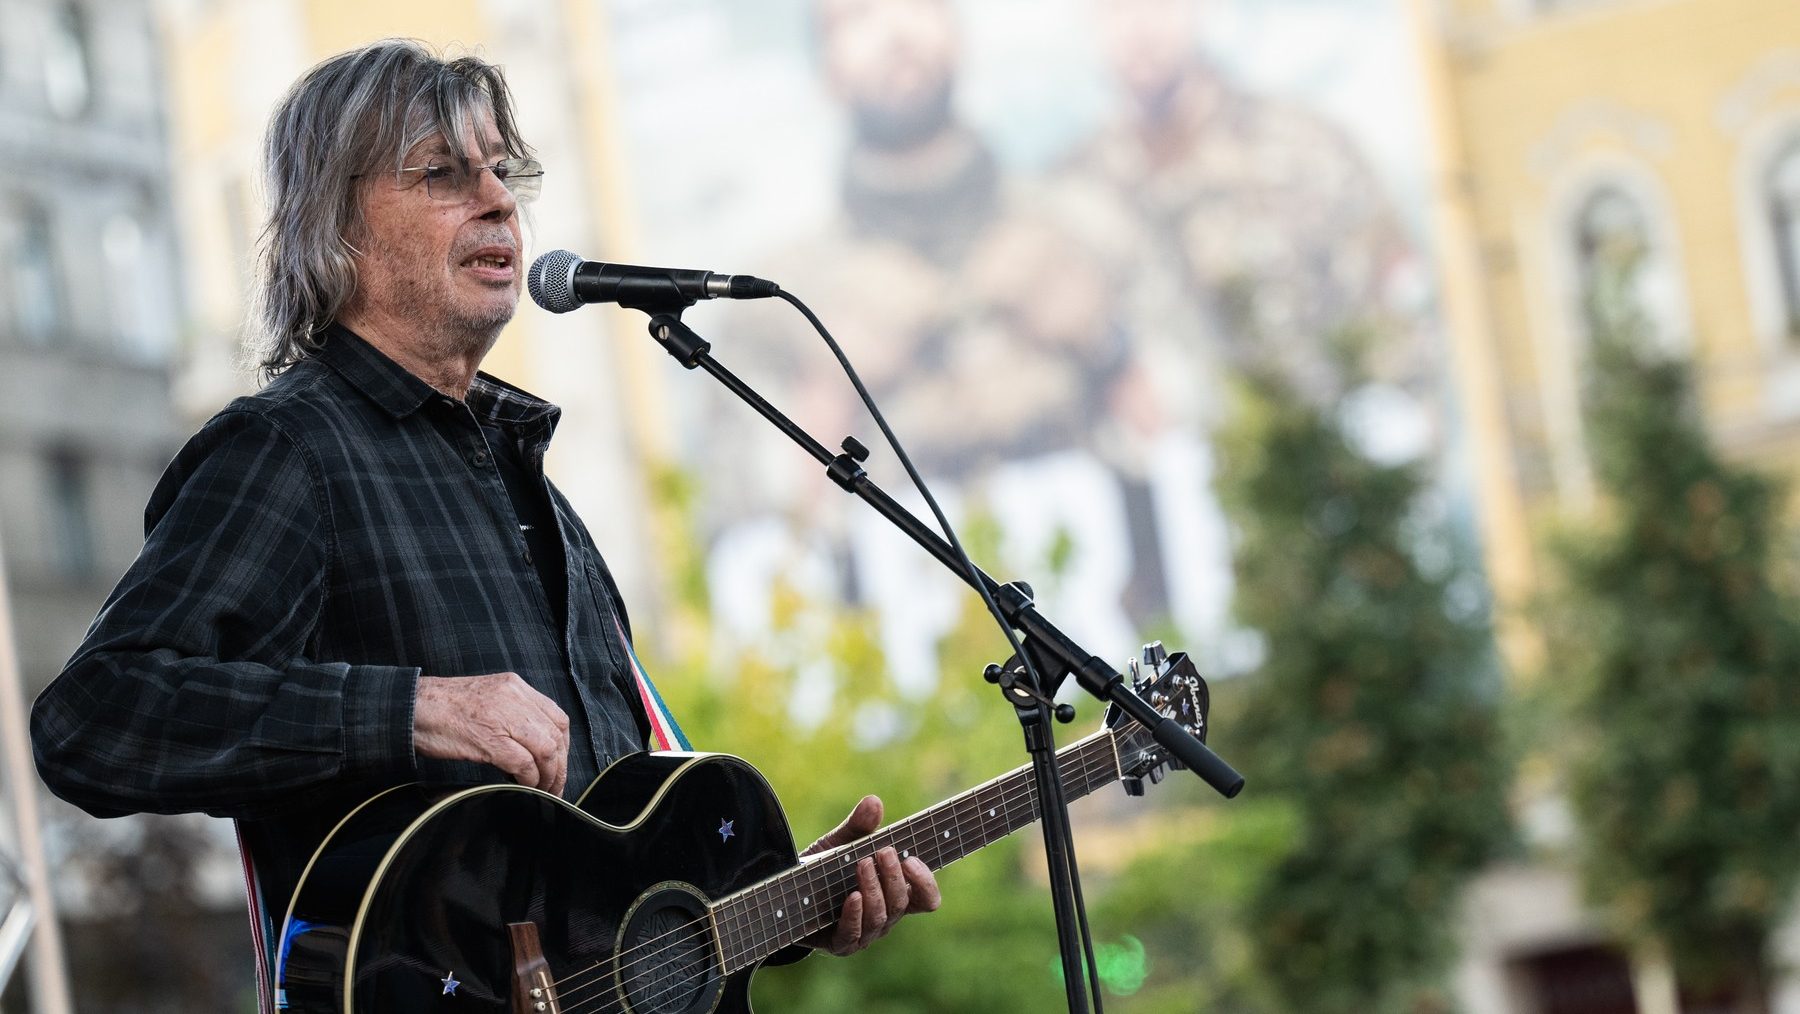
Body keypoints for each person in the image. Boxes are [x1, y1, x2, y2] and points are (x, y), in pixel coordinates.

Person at [27, 38, 938, 1003]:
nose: (499, 200)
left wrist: (780, 899)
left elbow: (604, 883)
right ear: (338, 224)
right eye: (443, 174)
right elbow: (94, 717)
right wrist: (413, 709)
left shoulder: (536, 492)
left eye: (503, 171)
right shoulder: (290, 450)